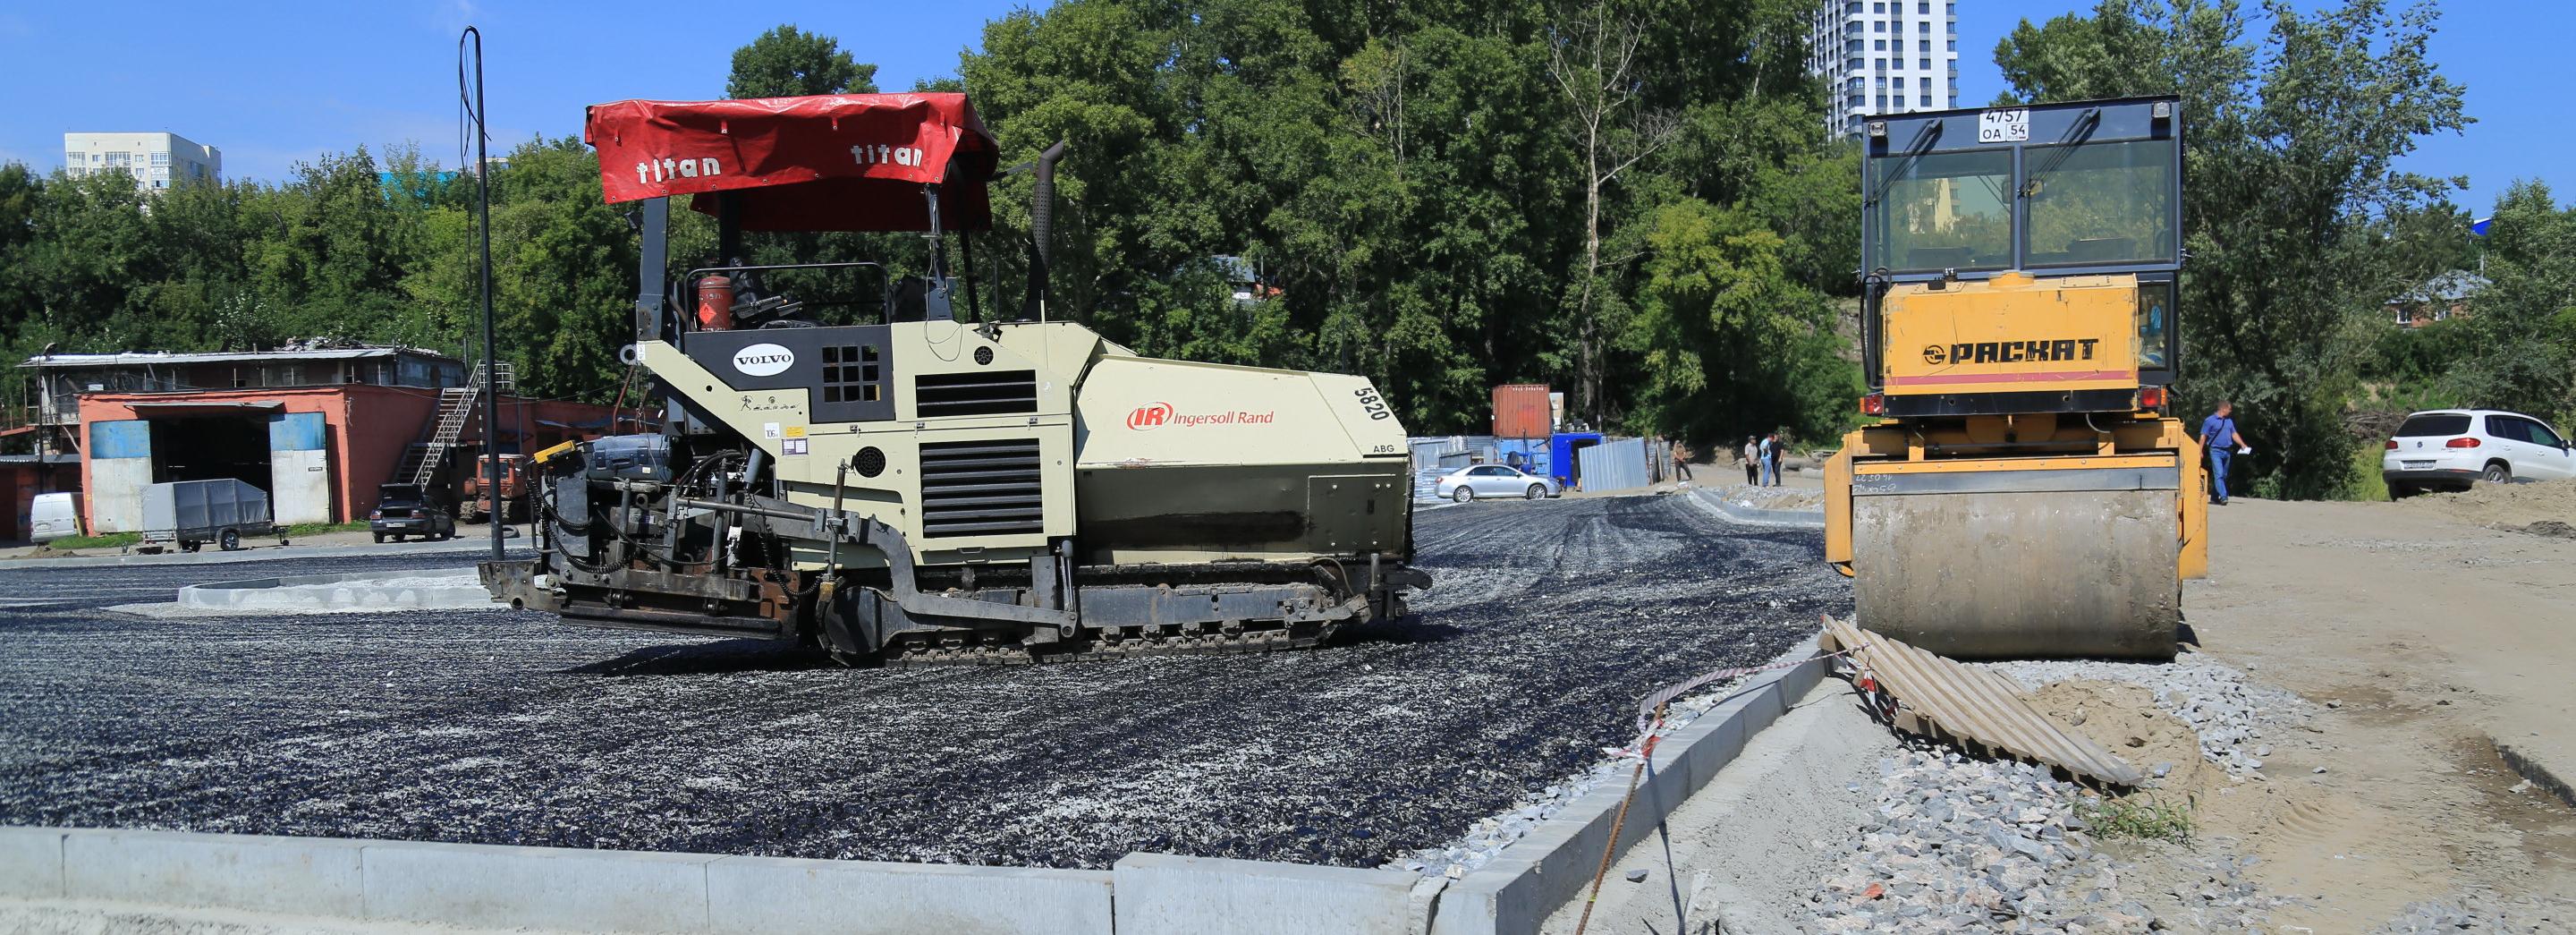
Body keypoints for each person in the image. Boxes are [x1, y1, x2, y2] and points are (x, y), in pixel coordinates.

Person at [2199, 401, 2249, 505]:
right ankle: (2223, 496)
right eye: (2229, 409)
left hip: (2227, 451)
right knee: (2219, 474)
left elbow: (2234, 434)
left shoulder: (2229, 421)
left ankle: (2214, 497)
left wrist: (2242, 444)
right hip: (2215, 451)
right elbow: (2203, 436)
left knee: (2223, 476)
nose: (2230, 411)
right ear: (2224, 409)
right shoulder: (2209, 420)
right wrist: (2199, 450)